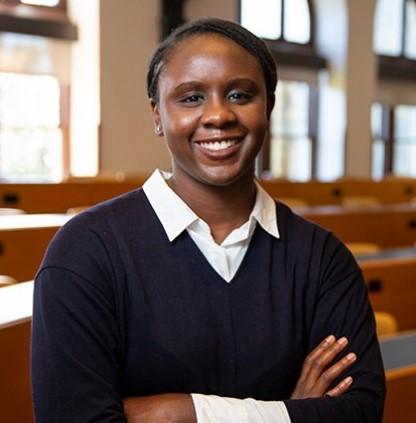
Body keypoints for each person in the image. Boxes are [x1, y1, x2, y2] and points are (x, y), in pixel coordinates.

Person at [31, 18, 385, 423]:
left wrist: (179, 413)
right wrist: (293, 413)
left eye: (240, 94)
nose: (218, 115)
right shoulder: (84, 252)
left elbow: (360, 412)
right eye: (191, 98)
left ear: (268, 105)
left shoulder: (324, 259)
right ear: (157, 115)